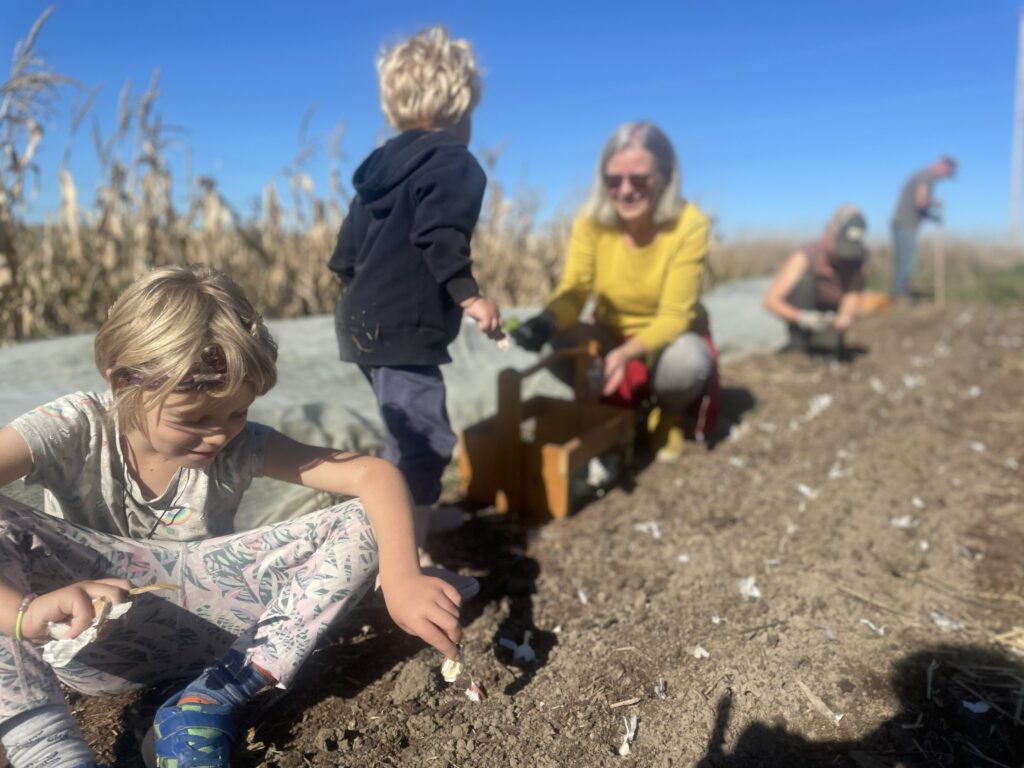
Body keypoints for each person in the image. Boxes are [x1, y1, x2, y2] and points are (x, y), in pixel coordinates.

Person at [0, 266, 466, 768]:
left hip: (216, 637)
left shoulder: (239, 447)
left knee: (364, 519)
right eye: (195, 419)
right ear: (122, 384)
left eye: (236, 412)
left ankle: (206, 701)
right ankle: (50, 751)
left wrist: (402, 577)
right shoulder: (75, 428)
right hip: (89, 638)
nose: (221, 434)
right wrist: (22, 613)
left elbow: (373, 475)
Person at [329, 26, 501, 552]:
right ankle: (411, 556)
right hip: (403, 327)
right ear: (460, 106)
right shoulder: (452, 161)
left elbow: (343, 257)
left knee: (402, 430)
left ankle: (401, 517)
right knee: (427, 441)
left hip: (362, 323)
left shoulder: (378, 172)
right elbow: (439, 235)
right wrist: (471, 297)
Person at [511, 121, 715, 461]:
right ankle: (619, 412)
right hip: (610, 330)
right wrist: (546, 321)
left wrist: (624, 355)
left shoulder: (689, 224)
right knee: (560, 341)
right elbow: (575, 292)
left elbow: (675, 315)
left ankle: (668, 412)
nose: (624, 190)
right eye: (613, 180)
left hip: (666, 340)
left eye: (639, 179)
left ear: (665, 175)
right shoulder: (591, 221)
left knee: (689, 361)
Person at [763, 205, 870, 354]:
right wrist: (803, 318)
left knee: (828, 348)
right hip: (804, 314)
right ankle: (798, 342)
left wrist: (844, 318)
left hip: (831, 318)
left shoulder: (859, 259)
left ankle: (825, 342)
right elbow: (770, 302)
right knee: (805, 281)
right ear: (829, 235)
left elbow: (852, 294)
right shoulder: (807, 255)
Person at [890, 155, 956, 299]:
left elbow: (921, 204)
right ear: (942, 166)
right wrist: (934, 207)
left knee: (903, 260)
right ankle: (900, 295)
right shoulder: (926, 176)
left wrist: (932, 212)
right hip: (905, 223)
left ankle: (897, 294)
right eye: (947, 173)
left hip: (902, 223)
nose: (944, 177)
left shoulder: (924, 175)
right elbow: (921, 202)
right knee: (907, 261)